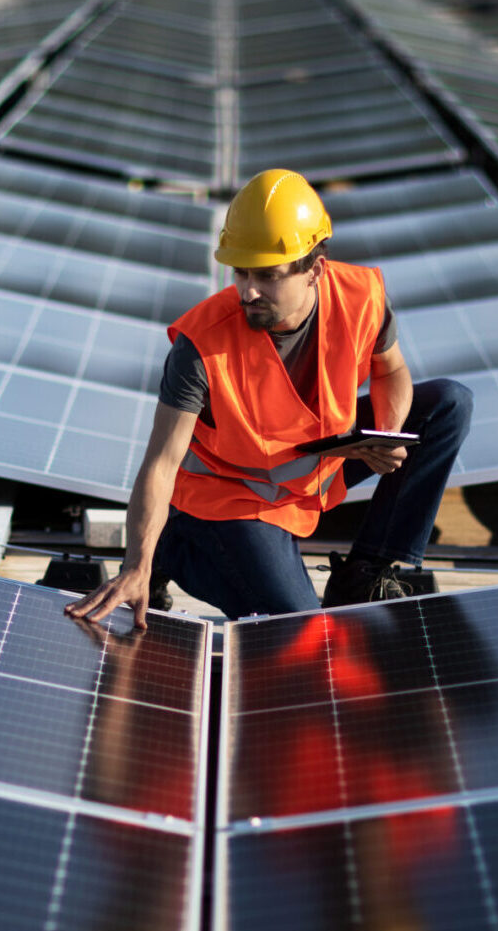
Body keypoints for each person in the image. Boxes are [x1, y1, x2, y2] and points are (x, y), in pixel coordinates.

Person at [65, 168, 472, 627]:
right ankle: (171, 551)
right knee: (292, 627)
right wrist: (134, 565)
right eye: (240, 272)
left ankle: (366, 571)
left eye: (267, 276)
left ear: (315, 270)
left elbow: (392, 369)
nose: (248, 291)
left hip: (313, 462)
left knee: (448, 405)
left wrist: (389, 435)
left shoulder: (359, 298)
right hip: (229, 498)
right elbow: (160, 463)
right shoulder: (200, 345)